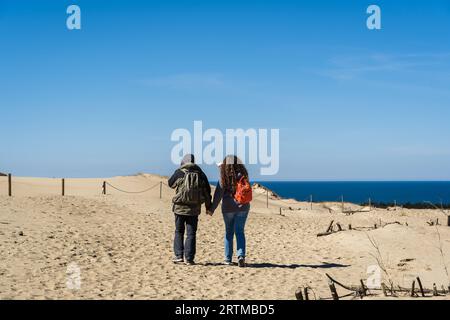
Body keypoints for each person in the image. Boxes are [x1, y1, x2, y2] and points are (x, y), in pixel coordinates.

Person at [207, 155, 252, 267]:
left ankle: (227, 259)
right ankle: (241, 256)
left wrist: (211, 209)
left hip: (228, 208)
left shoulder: (224, 177)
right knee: (240, 232)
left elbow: (218, 195)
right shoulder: (244, 176)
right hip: (243, 207)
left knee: (229, 232)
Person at [168, 154, 212, 265]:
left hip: (179, 208)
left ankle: (179, 256)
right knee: (191, 234)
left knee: (179, 231)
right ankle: (189, 258)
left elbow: (170, 184)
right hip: (194, 209)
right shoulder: (201, 174)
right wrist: (208, 206)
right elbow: (207, 191)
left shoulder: (179, 172)